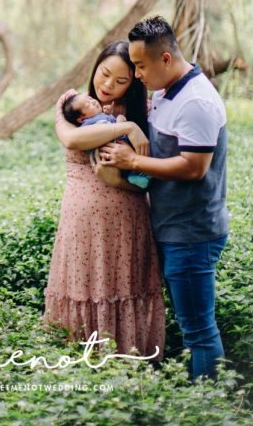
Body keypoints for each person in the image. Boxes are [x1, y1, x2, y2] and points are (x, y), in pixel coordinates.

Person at [99, 16, 229, 381]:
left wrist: (133, 161)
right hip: (172, 227)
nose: (137, 73)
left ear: (166, 59)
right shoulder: (165, 91)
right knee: (191, 326)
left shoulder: (197, 102)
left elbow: (194, 168)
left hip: (192, 232)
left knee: (200, 331)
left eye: (140, 65)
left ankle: (208, 407)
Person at [44, 40, 166, 359]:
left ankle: (131, 369)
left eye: (121, 81)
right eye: (104, 74)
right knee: (84, 290)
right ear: (96, 66)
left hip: (129, 222)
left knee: (127, 291)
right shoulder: (72, 102)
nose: (108, 85)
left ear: (133, 83)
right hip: (82, 224)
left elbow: (150, 181)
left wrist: (118, 180)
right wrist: (126, 128)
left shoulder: (149, 111)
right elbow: (71, 137)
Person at [62, 92, 151, 189]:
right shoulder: (89, 125)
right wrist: (120, 123)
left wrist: (108, 114)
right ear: (82, 119)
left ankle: (138, 175)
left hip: (119, 150)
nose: (93, 101)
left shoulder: (99, 117)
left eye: (90, 99)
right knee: (122, 163)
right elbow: (106, 131)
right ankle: (134, 177)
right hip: (110, 156)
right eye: (88, 104)